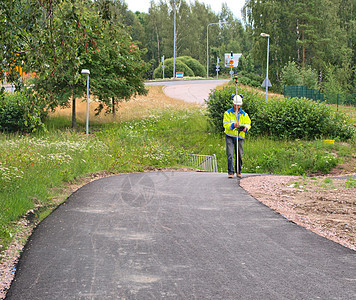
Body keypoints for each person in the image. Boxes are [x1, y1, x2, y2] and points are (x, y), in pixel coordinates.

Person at [223, 94, 251, 179]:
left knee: (239, 155)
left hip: (240, 136)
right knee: (230, 154)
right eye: (236, 104)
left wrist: (245, 128)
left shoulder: (244, 114)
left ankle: (239, 171)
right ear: (233, 103)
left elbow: (248, 123)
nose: (237, 106)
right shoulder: (227, 113)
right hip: (230, 136)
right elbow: (225, 124)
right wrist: (233, 125)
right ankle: (230, 172)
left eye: (238, 105)